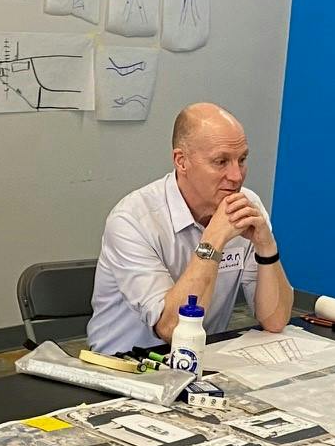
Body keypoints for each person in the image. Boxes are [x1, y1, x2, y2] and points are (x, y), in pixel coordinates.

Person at [87, 103, 293, 353]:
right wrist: (213, 240)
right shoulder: (131, 220)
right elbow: (171, 329)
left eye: (242, 159)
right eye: (221, 161)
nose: (237, 176)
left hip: (201, 360)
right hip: (124, 367)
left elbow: (275, 320)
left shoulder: (247, 206)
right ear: (181, 161)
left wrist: (266, 245)